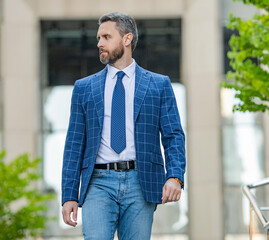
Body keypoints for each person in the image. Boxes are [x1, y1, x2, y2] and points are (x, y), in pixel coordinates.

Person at [61, 12, 186, 240]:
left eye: (106, 37)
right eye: (98, 38)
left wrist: (175, 176)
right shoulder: (84, 88)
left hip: (141, 182)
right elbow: (73, 145)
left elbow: (173, 136)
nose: (99, 43)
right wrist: (69, 195)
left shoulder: (159, 85)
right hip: (98, 183)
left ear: (127, 39)